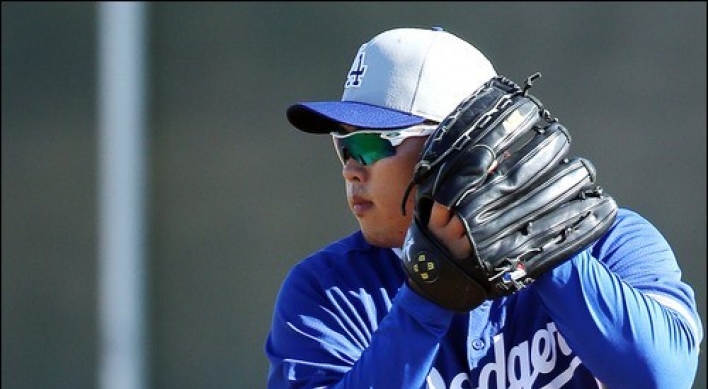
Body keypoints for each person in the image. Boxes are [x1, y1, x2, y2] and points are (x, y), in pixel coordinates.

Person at [264, 26, 703, 389]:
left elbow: (663, 378)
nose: (350, 170)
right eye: (343, 145)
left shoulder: (611, 242)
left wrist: (544, 251)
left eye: (369, 144)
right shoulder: (329, 290)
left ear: (465, 146)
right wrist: (429, 294)